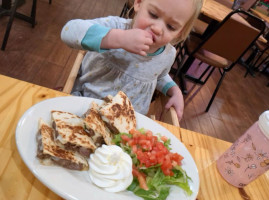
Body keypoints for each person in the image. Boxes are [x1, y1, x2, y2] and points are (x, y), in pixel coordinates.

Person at [61, 0, 202, 121]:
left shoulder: (168, 54)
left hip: (126, 123)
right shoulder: (115, 26)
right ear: (139, 3)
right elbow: (69, 31)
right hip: (84, 106)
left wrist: (175, 90)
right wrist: (118, 38)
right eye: (153, 14)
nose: (158, 29)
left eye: (171, 26)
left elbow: (158, 76)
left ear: (180, 32)